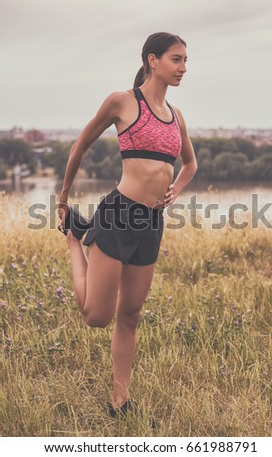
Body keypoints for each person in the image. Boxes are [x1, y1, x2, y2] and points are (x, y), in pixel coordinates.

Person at [57, 31, 198, 418]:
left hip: (151, 222)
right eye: (176, 59)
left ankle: (120, 402)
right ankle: (75, 239)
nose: (183, 68)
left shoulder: (176, 117)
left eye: (186, 60)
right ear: (152, 60)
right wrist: (64, 196)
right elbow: (80, 145)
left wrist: (175, 190)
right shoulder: (123, 102)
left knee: (131, 315)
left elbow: (190, 164)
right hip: (119, 214)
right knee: (96, 317)